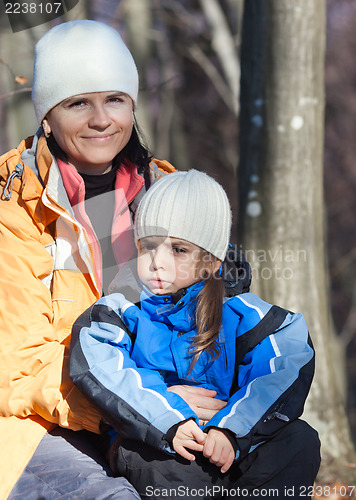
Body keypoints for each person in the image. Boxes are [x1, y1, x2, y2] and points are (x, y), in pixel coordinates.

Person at [0, 20, 224, 500]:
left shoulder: (170, 193)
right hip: (36, 426)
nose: (101, 119)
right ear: (46, 114)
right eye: (78, 102)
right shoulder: (12, 207)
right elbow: (14, 368)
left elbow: (214, 321)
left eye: (115, 99)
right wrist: (141, 403)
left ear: (133, 105)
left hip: (156, 415)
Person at [70, 170, 321, 500]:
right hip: (160, 442)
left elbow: (285, 359)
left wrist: (231, 430)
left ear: (212, 261)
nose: (158, 262)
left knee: (298, 440)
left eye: (178, 250)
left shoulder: (240, 312)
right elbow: (104, 367)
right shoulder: (121, 311)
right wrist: (170, 417)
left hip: (229, 440)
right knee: (145, 460)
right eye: (148, 246)